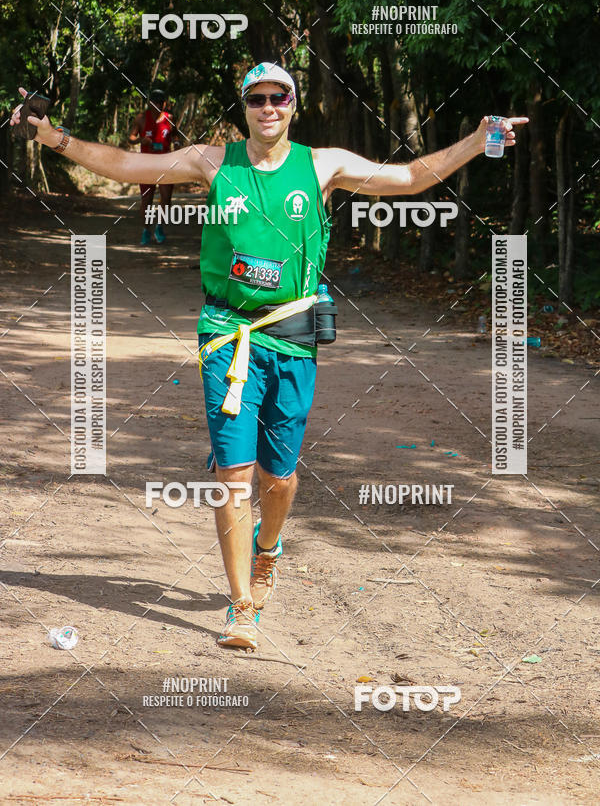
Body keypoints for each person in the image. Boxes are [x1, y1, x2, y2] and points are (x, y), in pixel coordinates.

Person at [11, 68, 528, 651]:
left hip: (294, 335)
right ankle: (240, 607)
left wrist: (477, 137)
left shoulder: (323, 164)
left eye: (277, 97)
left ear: (293, 104)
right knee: (233, 475)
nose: (267, 107)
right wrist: (53, 136)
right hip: (228, 336)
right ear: (245, 108)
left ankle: (269, 547)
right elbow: (125, 166)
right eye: (255, 99)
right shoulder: (213, 161)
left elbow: (408, 178)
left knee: (277, 478)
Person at [128, 89, 178, 245]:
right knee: (146, 199)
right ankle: (146, 231)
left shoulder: (169, 118)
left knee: (166, 198)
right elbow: (131, 137)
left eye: (160, 102)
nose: (157, 105)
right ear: (149, 103)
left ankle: (159, 227)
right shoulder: (141, 118)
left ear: (164, 103)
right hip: (147, 164)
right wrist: (140, 141)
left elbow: (175, 134)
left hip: (165, 163)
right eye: (154, 102)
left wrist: (176, 143)